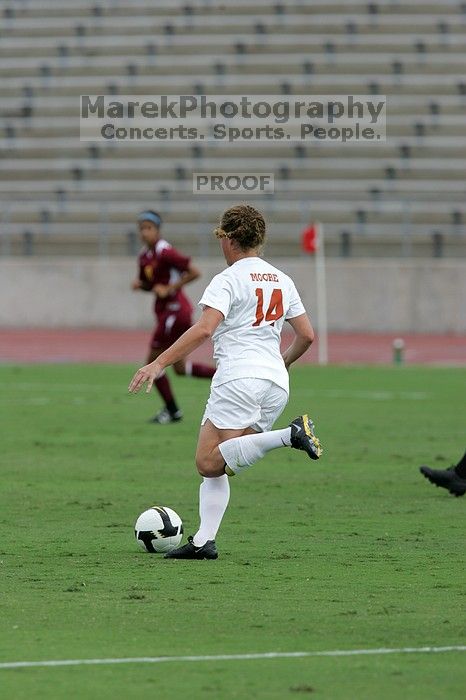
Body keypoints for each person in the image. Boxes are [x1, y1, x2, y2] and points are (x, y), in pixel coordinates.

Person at [129, 204, 323, 559]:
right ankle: (204, 541)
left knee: (207, 461)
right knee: (222, 464)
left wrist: (158, 363)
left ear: (229, 239)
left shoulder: (228, 279)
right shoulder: (282, 278)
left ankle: (289, 435)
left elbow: (204, 329)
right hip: (275, 383)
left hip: (238, 377)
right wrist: (283, 363)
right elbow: (307, 335)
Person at [132, 210, 215, 424]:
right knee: (179, 368)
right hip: (165, 311)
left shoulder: (165, 252)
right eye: (141, 228)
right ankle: (221, 376)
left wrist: (171, 288)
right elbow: (152, 285)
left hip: (175, 310)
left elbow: (194, 272)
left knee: (152, 362)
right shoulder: (144, 256)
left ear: (158, 231)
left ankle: (172, 410)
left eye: (149, 228)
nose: (144, 232)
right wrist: (141, 286)